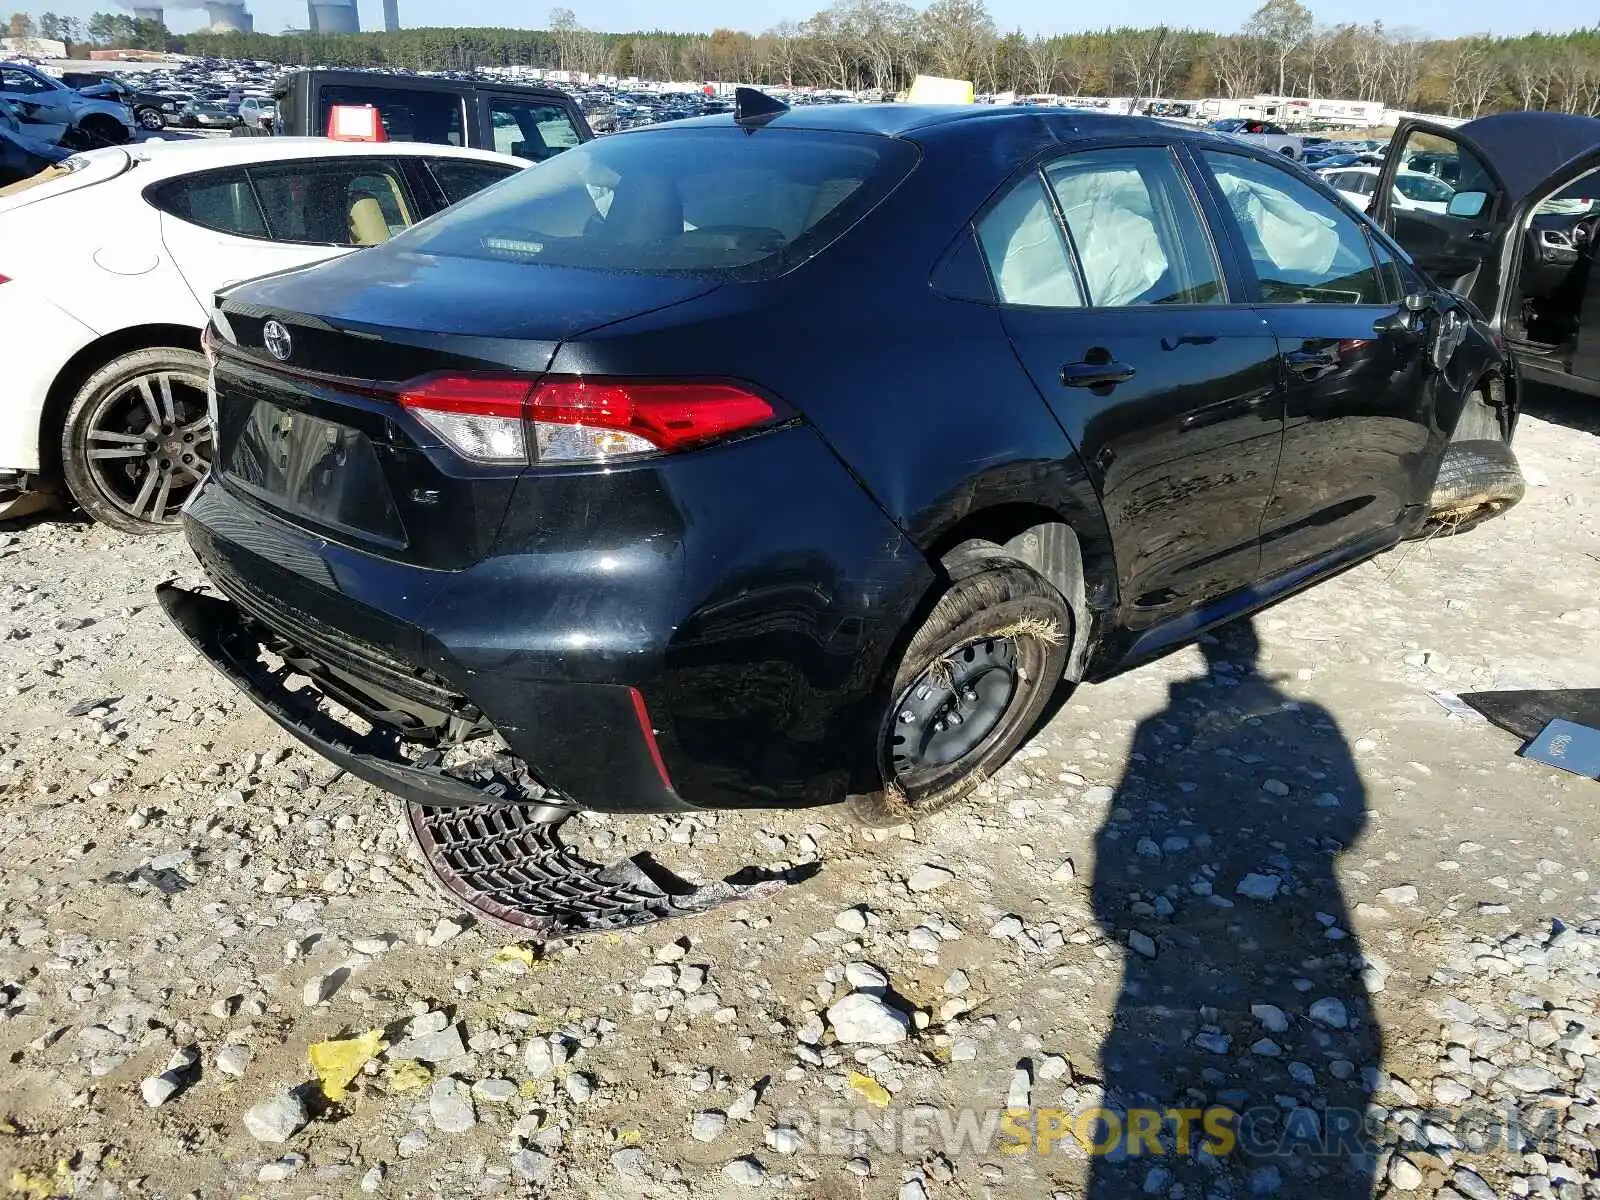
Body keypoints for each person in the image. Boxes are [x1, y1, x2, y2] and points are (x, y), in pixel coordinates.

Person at [1088, 617, 1382, 1198]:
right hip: (1305, 907)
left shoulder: (1159, 725)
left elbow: (1123, 818)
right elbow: (1349, 815)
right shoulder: (1309, 720)